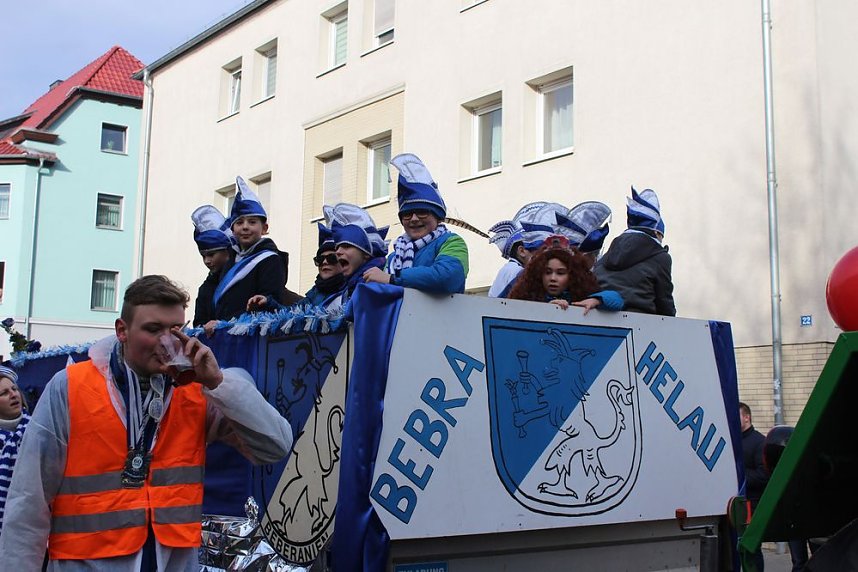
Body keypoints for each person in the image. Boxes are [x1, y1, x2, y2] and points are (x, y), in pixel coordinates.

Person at [0, 275, 293, 571]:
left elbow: (275, 447)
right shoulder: (71, 386)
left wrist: (218, 383)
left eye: (176, 329)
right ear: (122, 330)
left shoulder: (199, 390)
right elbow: (28, 500)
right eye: (153, 329)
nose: (167, 341)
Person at [363, 153, 469, 294]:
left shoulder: (452, 242)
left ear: (437, 217)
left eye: (422, 212)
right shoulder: (393, 257)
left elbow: (447, 278)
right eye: (407, 214)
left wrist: (393, 278)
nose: (413, 218)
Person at [212, 177, 291, 324]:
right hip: (224, 330)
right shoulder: (230, 260)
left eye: (252, 222)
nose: (245, 227)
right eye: (239, 222)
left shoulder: (271, 259)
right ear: (232, 229)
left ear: (265, 228)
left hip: (252, 330)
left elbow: (274, 300)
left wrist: (264, 301)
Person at [595, 187, 676, 316]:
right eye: (661, 236)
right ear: (656, 232)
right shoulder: (661, 257)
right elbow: (664, 302)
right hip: (642, 322)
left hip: (601, 316)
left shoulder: (610, 252)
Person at [508, 235, 624, 313]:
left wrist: (595, 300)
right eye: (547, 272)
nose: (553, 278)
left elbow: (617, 300)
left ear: (572, 275)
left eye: (560, 273)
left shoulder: (582, 295)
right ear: (539, 274)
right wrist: (547, 309)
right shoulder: (526, 297)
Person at [248, 222, 345, 312]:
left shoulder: (351, 290)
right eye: (320, 259)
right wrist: (268, 303)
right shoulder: (314, 293)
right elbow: (291, 314)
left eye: (331, 258)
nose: (324, 262)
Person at [190, 205, 233, 328]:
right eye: (203, 256)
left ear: (227, 251)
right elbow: (198, 325)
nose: (207, 261)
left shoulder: (243, 277)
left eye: (211, 255)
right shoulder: (205, 288)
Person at [740, 401, 769, 571]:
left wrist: (739, 475)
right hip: (736, 506)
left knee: (751, 548)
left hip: (752, 505)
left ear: (747, 417)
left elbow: (763, 475)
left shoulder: (759, 442)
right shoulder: (732, 440)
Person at [0, 365, 28, 536]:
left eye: (14, 389)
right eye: (4, 393)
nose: (13, 395)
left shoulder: (38, 430)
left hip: (33, 528)